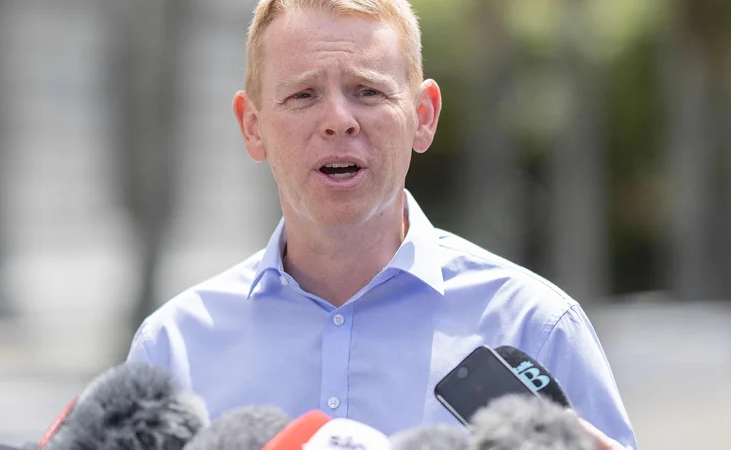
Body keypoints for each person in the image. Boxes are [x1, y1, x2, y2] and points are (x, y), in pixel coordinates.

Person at [126, 0, 637, 448]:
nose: (338, 119)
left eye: (367, 91)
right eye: (303, 95)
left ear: (423, 116)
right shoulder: (174, 348)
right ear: (252, 127)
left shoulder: (536, 329)